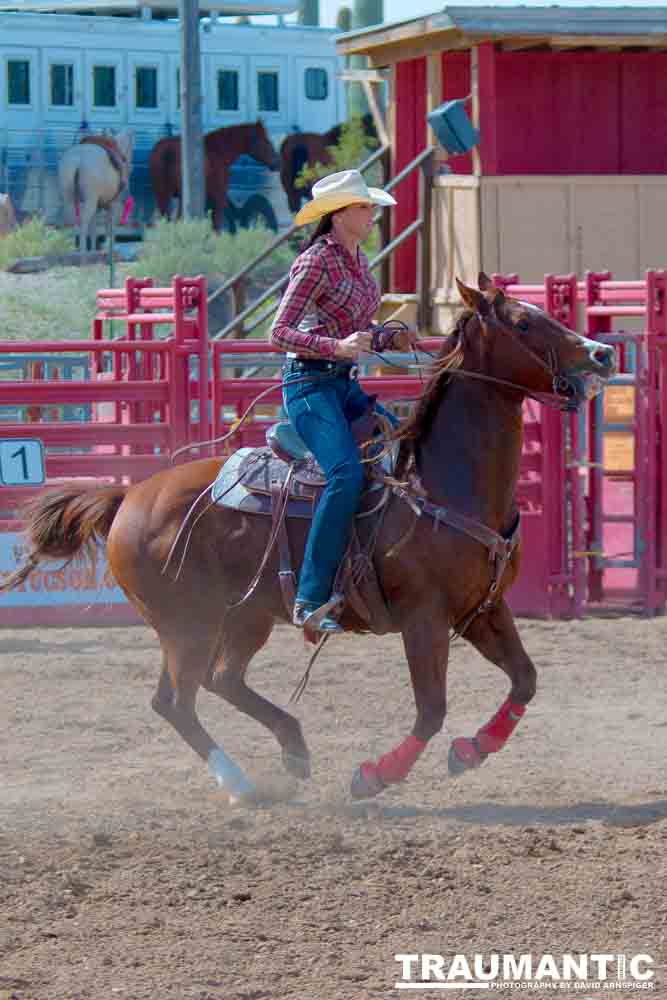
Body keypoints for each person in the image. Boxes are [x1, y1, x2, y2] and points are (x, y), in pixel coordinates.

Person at [270, 169, 399, 634]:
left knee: (400, 444)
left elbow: (358, 324)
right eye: (365, 207)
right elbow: (278, 332)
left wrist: (381, 335)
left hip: (343, 385)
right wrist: (336, 347)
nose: (372, 214)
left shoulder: (358, 259)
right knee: (345, 473)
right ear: (340, 214)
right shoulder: (314, 262)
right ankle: (309, 598)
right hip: (308, 385)